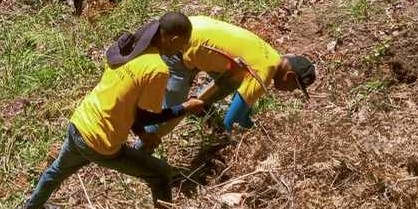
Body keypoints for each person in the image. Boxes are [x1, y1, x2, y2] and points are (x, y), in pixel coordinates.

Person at [19, 12, 204, 209]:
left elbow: (127, 101)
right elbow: (147, 117)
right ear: (175, 39)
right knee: (160, 173)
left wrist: (141, 134)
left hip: (80, 122)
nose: (182, 50)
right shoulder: (157, 69)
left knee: (56, 171)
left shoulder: (133, 49)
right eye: (183, 45)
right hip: (100, 140)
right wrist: (185, 107)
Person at [134, 16, 316, 150]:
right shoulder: (263, 74)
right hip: (179, 47)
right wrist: (232, 144)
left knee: (233, 81)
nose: (291, 91)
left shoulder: (270, 57)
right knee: (172, 115)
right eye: (294, 87)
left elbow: (244, 108)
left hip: (193, 28)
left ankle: (203, 105)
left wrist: (248, 125)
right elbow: (231, 121)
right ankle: (139, 150)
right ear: (290, 76)